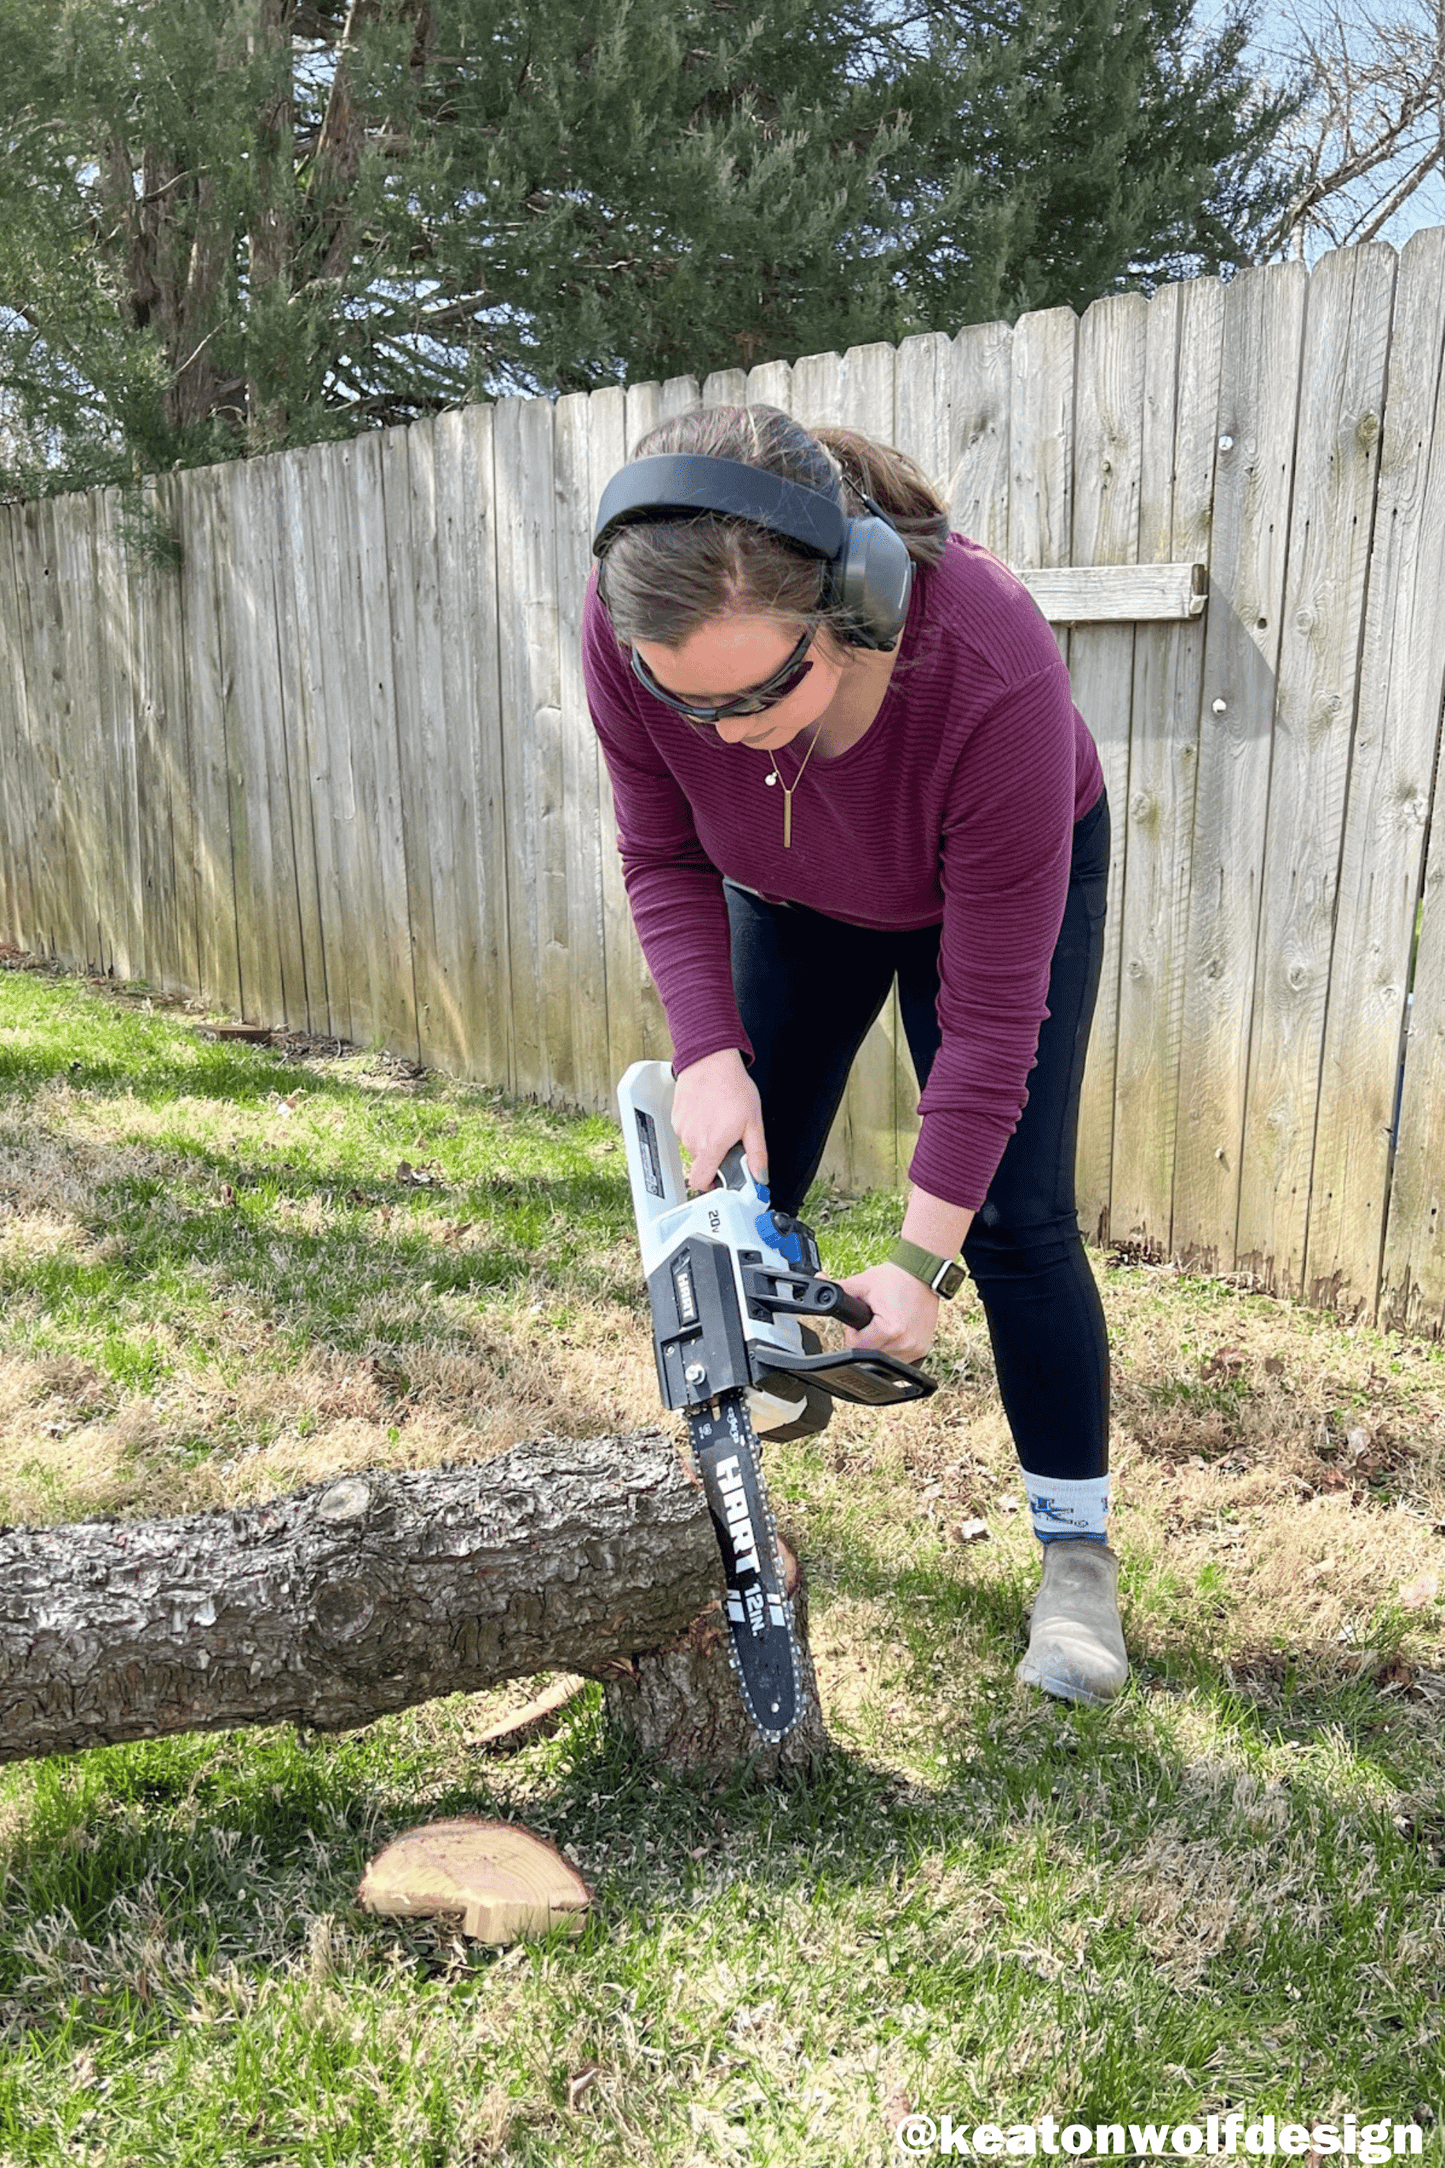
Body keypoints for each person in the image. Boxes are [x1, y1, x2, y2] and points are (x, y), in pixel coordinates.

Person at [582, 403, 1123, 1705]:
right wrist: (707, 1050)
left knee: (1014, 1223)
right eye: (683, 699)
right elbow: (659, 849)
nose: (717, 736)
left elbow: (993, 1026)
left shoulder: (991, 671)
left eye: (761, 693)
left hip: (983, 891)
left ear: (859, 605)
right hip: (786, 897)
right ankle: (723, 1512)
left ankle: (1076, 1559)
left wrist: (921, 1258)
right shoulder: (640, 626)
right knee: (734, 1202)